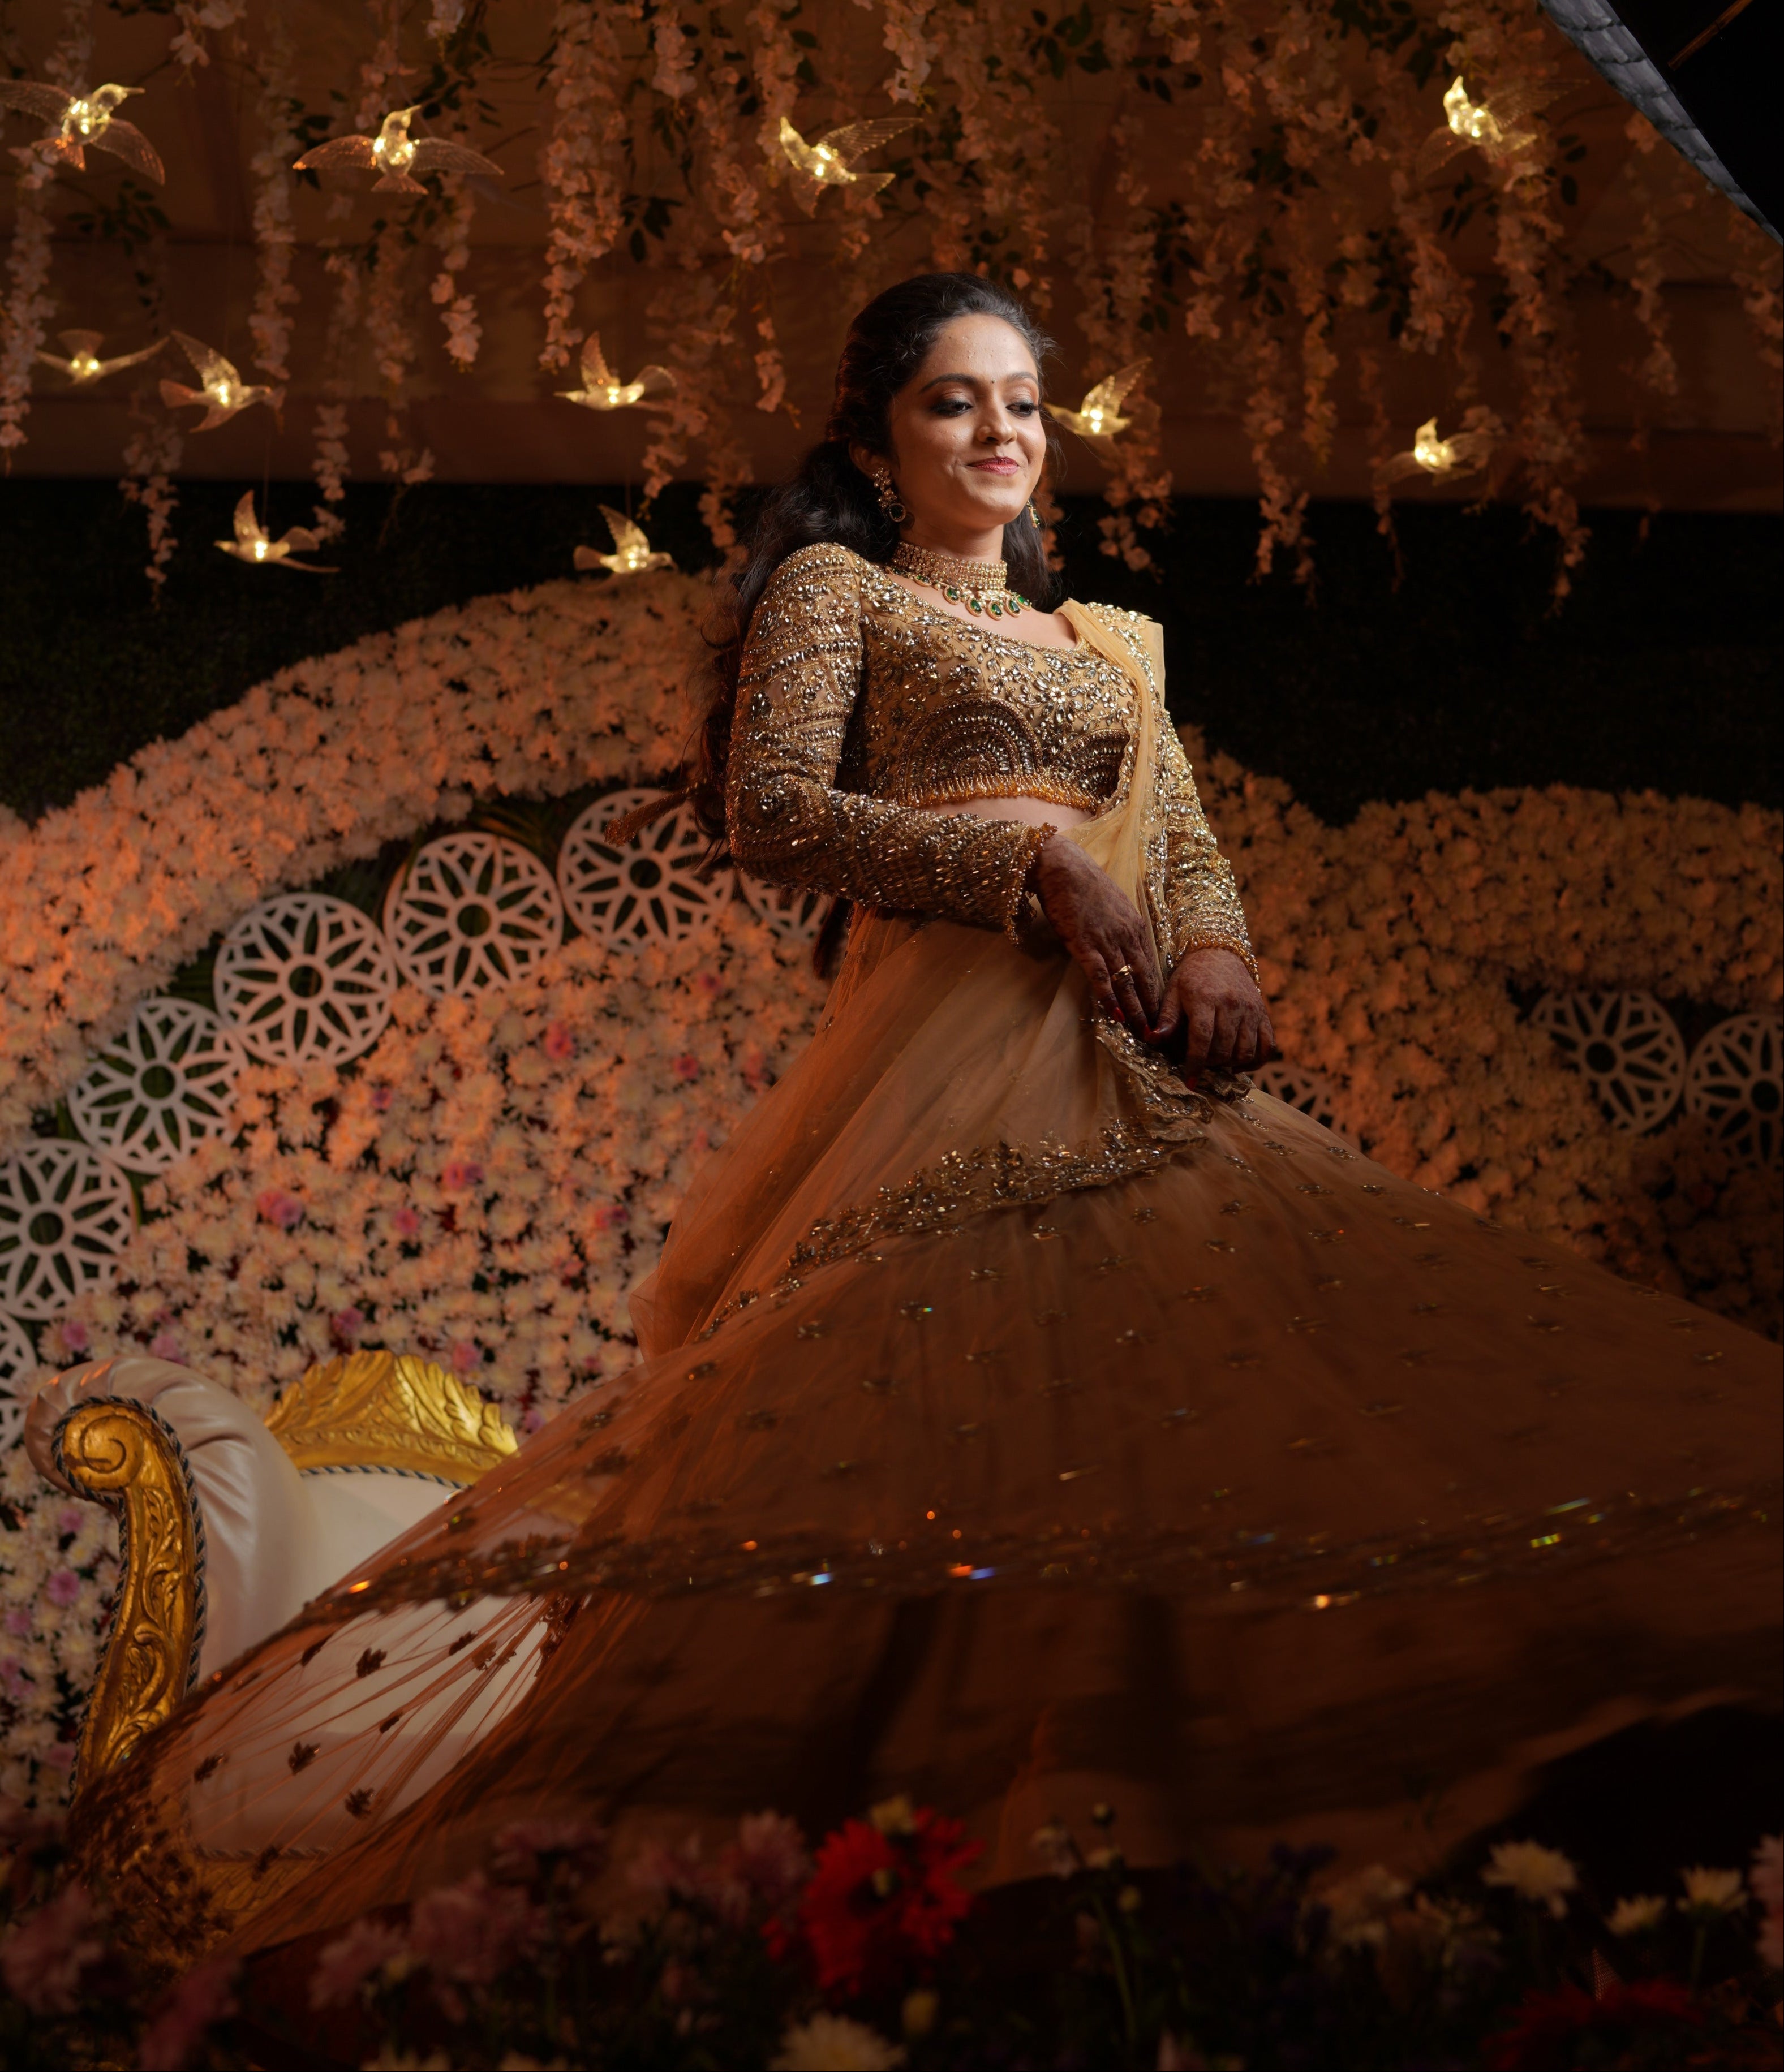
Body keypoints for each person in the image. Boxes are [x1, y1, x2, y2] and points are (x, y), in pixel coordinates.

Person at [71, 274, 1781, 1961]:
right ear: (877, 440)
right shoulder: (843, 594)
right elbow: (776, 815)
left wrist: (1214, 956)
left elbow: (1183, 842)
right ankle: (907, 1892)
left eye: (1022, 403)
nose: (997, 432)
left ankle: (1167, 1866)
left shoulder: (1115, 642)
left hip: (1137, 1059)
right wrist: (1023, 866)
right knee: (942, 1390)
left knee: (1199, 1388)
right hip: (943, 1059)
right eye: (953, 401)